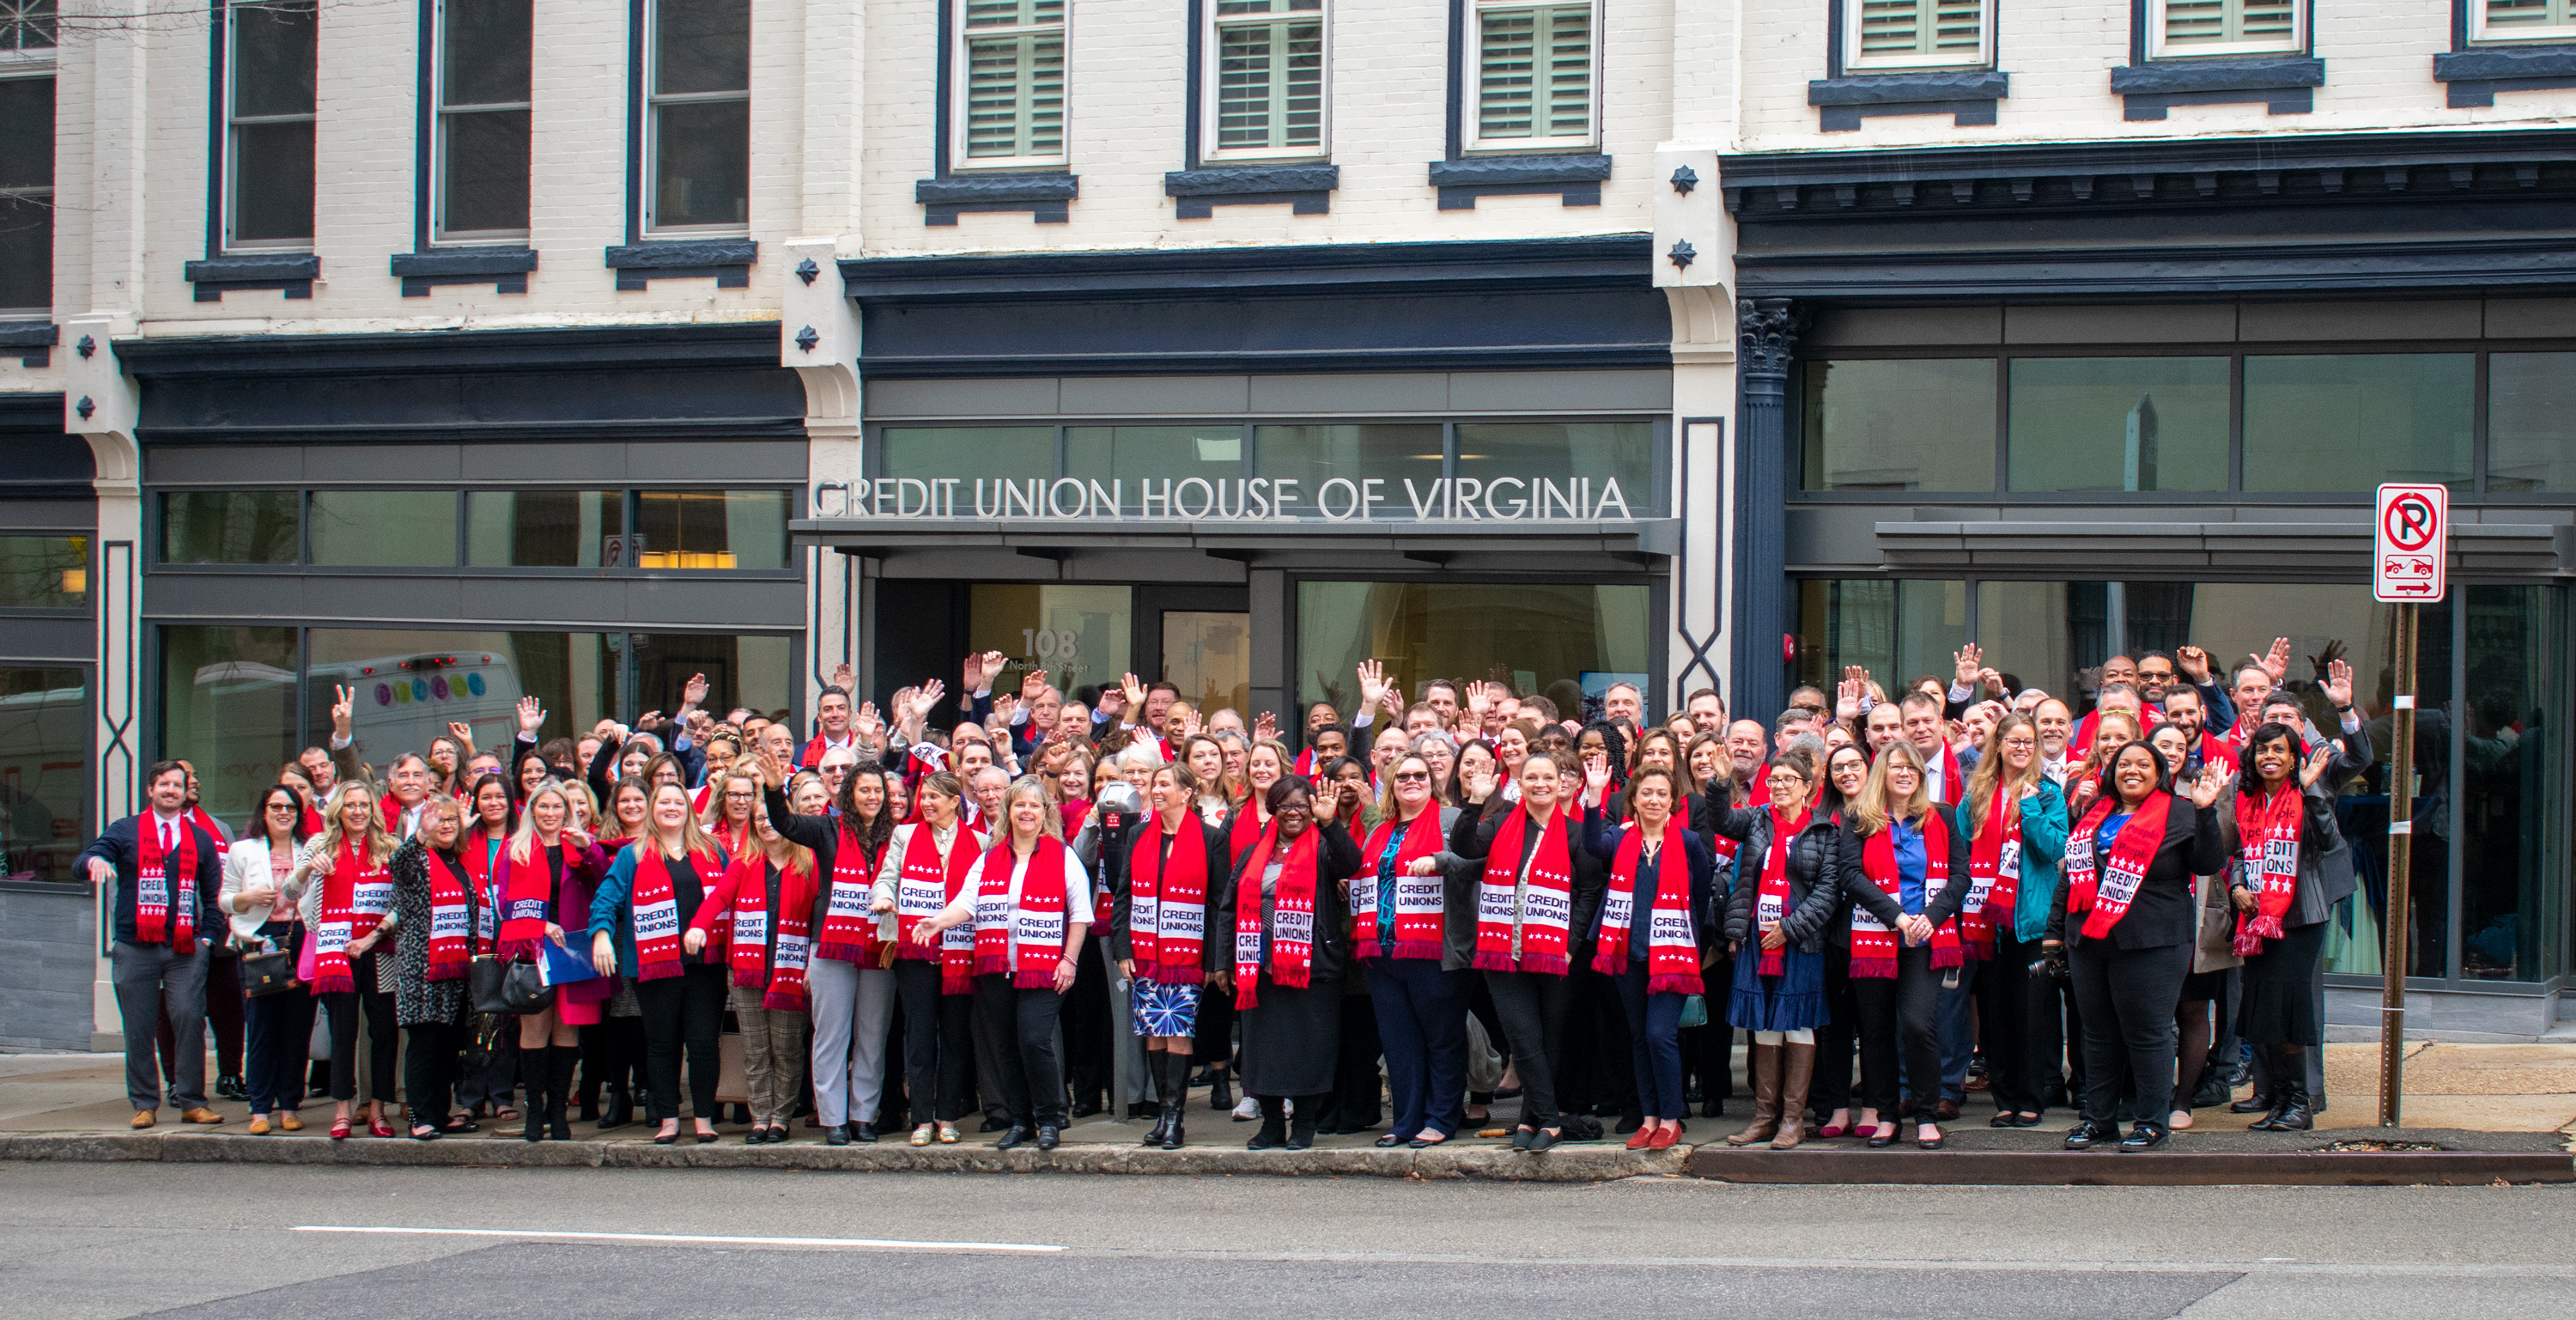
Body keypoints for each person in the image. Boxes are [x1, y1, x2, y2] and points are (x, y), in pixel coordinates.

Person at [2050, 741, 2228, 1153]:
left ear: (2159, 772)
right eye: (2123, 764)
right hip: (2089, 939)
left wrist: (2205, 810)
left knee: (2148, 1033)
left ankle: (2151, 1123)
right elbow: (2071, 875)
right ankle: (2099, 1122)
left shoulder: (2181, 810)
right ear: (2111, 771)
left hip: (2153, 940)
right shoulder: (2095, 814)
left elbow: (2207, 863)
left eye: (2142, 764)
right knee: (2097, 1034)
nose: (2132, 770)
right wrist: (2055, 932)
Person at [910, 776, 1094, 1152]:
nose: (1027, 812)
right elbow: (966, 903)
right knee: (1005, 1045)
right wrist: (936, 922)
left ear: (1046, 813)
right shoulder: (989, 858)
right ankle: (1020, 1121)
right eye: (1020, 805)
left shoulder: (1064, 856)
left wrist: (1069, 960)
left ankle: (1048, 1119)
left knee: (1034, 1039)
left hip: (1044, 970)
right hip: (997, 969)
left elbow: (1080, 915)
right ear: (1008, 812)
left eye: (1035, 805)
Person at [1443, 750, 1592, 1152]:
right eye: (1532, 778)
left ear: (1561, 782)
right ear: (1519, 784)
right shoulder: (1500, 824)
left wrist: (1573, 945)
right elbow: (1466, 848)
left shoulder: (1576, 833)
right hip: (1502, 952)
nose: (1540, 785)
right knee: (1523, 1038)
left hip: (1556, 953)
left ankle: (1530, 1121)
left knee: (1550, 1039)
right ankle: (1550, 1120)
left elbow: (1590, 891)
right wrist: (1475, 801)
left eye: (1548, 777)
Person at [1581, 761, 1724, 1150]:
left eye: (1662, 793)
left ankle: (1671, 1118)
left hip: (1672, 957)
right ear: (1634, 799)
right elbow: (1591, 846)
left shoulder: (1689, 842)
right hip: (1628, 956)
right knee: (1639, 1037)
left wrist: (1687, 942)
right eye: (1646, 793)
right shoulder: (1618, 838)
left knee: (1660, 1035)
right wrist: (1594, 796)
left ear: (1673, 800)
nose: (1654, 799)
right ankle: (1649, 1118)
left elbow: (1699, 895)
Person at [757, 754, 899, 1145]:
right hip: (831, 944)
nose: (872, 797)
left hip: (878, 947)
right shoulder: (826, 829)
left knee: (873, 1034)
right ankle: (833, 1118)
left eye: (878, 791)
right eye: (864, 790)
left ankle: (863, 1117)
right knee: (831, 1035)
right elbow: (785, 823)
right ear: (849, 794)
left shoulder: (897, 834)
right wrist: (774, 790)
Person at [79, 763, 228, 1129]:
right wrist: (96, 861)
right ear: (151, 790)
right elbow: (85, 858)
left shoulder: (200, 838)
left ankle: (193, 1101)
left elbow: (214, 897)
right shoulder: (126, 830)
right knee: (139, 1027)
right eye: (164, 784)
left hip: (185, 949)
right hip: (135, 946)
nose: (171, 790)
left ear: (185, 791)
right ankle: (145, 1103)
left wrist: (207, 939)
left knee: (190, 1019)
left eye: (178, 785)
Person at [1218, 775, 1361, 1150]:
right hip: (1258, 967)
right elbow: (1228, 908)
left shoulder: (1324, 847)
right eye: (1286, 806)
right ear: (1273, 810)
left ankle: (1304, 1125)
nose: (1294, 813)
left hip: (1311, 969)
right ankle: (1270, 1126)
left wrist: (1329, 823)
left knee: (1309, 1048)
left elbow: (1352, 863)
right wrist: (1223, 961)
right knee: (1264, 1051)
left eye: (1302, 805)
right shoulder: (1253, 853)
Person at [1841, 740, 1969, 1151]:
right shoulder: (1859, 817)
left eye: (1911, 767)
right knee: (1876, 1031)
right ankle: (1886, 1116)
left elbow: (1960, 876)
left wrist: (1929, 918)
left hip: (1927, 937)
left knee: (1917, 1024)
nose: (1904, 773)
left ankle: (1927, 1114)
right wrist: (1896, 916)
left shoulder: (1942, 816)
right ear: (1883, 771)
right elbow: (1850, 875)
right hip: (1875, 936)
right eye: (1895, 766)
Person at [590, 782, 733, 1145]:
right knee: (661, 1044)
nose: (671, 807)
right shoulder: (632, 855)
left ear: (689, 807)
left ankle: (703, 1118)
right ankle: (670, 1118)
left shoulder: (713, 849)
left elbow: (733, 892)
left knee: (703, 1044)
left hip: (705, 966)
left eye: (678, 802)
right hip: (655, 967)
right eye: (663, 802)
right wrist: (602, 935)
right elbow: (605, 898)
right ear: (653, 809)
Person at [2223, 724, 2345, 1132]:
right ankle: (2278, 1101)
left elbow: (2330, 843)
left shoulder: (2309, 795)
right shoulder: (2250, 800)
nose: (2269, 756)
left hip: (2301, 917)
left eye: (2279, 749)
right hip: (2257, 919)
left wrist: (2312, 792)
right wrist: (2238, 885)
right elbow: (2240, 850)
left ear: (2295, 758)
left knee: (2288, 1011)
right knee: (2263, 1012)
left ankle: (2299, 1104)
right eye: (2262, 749)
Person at [685, 788, 819, 1144]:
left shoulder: (808, 862)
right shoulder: (743, 863)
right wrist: (699, 925)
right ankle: (760, 1118)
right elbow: (719, 897)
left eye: (771, 816)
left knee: (787, 1048)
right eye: (759, 818)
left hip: (791, 970)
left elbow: (817, 916)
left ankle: (782, 1118)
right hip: (746, 970)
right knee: (756, 1049)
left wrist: (812, 964)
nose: (766, 822)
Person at [1352, 750, 1472, 1148]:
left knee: (1442, 1038)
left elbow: (1478, 863)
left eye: (1420, 775)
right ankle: (1406, 1121)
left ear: (1432, 781)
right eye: (1402, 776)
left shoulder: (1451, 820)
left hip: (1435, 950)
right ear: (1390, 783)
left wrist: (1442, 859)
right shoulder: (1378, 830)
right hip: (1382, 952)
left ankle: (1440, 1119)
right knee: (1399, 1043)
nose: (1411, 781)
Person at [1955, 714, 2069, 1128]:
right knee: (1996, 1012)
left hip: (2031, 921)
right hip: (1987, 919)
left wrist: (2030, 807)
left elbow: (2055, 848)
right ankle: (2005, 1097)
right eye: (2014, 741)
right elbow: (1964, 846)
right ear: (1998, 745)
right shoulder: (1977, 794)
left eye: (2029, 742)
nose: (2022, 748)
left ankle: (2032, 1097)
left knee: (2033, 1014)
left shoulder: (2049, 793)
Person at [1113, 763, 1230, 1150]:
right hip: (1146, 954)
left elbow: (1219, 903)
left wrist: (1216, 960)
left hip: (1188, 956)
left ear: (1187, 792)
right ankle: (1163, 1115)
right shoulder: (1137, 834)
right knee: (1153, 1034)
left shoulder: (1212, 839)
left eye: (1164, 784)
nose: (1156, 789)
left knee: (1178, 1033)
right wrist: (1123, 947)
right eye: (1154, 784)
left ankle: (1176, 1119)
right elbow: (1124, 894)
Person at [495, 779, 612, 1140]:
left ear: (569, 810)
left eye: (557, 807)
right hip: (532, 948)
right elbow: (502, 902)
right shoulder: (514, 847)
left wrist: (588, 848)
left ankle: (558, 1113)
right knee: (534, 1030)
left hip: (573, 949)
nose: (550, 813)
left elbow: (606, 882)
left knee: (567, 1031)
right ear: (532, 810)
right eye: (542, 807)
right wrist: (540, 924)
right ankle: (534, 1113)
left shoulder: (579, 845)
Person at [298, 779, 403, 1140]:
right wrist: (309, 869)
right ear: (338, 810)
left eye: (364, 805)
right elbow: (290, 891)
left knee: (385, 1031)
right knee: (343, 1031)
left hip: (381, 950)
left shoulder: (391, 847)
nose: (358, 811)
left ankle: (377, 1109)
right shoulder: (319, 845)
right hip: (336, 951)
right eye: (350, 805)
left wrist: (373, 935)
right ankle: (342, 1109)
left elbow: (403, 902)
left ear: (373, 810)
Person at [386, 796, 483, 1139]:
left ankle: (440, 1113)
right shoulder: (417, 859)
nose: (445, 825)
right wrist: (418, 837)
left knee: (448, 1048)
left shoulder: (460, 861)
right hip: (421, 970)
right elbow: (397, 865)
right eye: (438, 819)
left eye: (451, 820)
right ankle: (419, 1116)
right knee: (425, 1046)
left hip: (456, 972)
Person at [222, 784, 313, 1134]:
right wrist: (247, 897)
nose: (284, 813)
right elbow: (224, 901)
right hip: (260, 943)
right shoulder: (243, 850)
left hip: (301, 942)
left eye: (290, 807)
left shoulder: (309, 849)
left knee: (297, 1029)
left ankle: (289, 1105)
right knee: (261, 1029)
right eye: (276, 806)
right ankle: (260, 1108)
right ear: (264, 811)